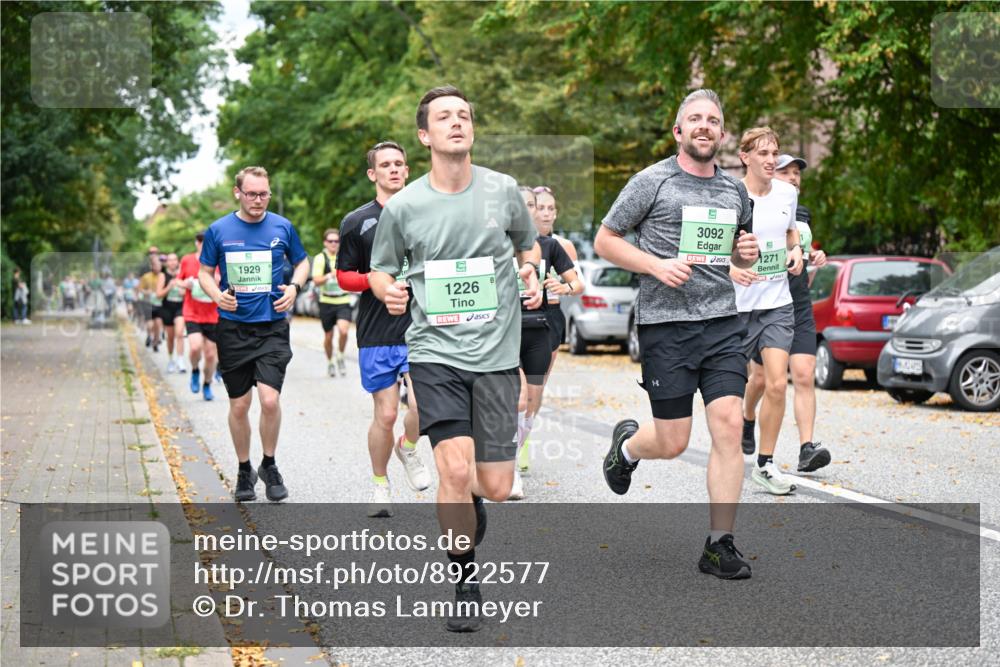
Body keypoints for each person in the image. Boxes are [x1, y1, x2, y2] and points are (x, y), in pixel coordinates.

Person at [369, 85, 542, 631]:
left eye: (464, 115)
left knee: (494, 485)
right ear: (425, 135)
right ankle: (464, 582)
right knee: (453, 467)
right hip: (434, 353)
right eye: (444, 117)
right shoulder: (405, 205)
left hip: (496, 355)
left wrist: (531, 269)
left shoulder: (503, 189)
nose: (457, 122)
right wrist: (387, 291)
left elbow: (529, 245)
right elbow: (380, 269)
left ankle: (472, 501)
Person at [595, 89, 760, 580]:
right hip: (666, 325)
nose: (704, 125)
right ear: (679, 130)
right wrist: (655, 265)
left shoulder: (735, 191)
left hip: (722, 323)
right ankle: (627, 448)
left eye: (712, 120)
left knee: (728, 424)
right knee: (672, 441)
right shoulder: (652, 181)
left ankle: (719, 544)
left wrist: (745, 254)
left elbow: (736, 251)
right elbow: (606, 239)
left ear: (722, 133)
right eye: (695, 118)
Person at [199, 165, 310, 503]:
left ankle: (269, 464)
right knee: (239, 405)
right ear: (238, 193)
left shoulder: (282, 226)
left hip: (272, 325)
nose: (258, 200)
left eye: (264, 194)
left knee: (269, 400)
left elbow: (302, 262)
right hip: (233, 328)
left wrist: (294, 287)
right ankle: (244, 469)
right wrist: (217, 295)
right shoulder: (219, 230)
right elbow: (205, 272)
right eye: (251, 194)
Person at [336, 140, 431, 517]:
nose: (393, 169)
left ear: (407, 170)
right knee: (387, 414)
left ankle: (408, 447)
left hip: (422, 328)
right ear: (372, 174)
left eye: (398, 164)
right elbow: (343, 276)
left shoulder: (428, 214)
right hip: (377, 330)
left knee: (425, 405)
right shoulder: (356, 222)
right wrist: (378, 280)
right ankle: (380, 485)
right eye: (385, 164)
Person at [742, 154, 831, 472]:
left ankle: (807, 447)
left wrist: (813, 257)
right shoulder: (750, 207)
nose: (793, 178)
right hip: (764, 302)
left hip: (797, 301)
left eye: (797, 173)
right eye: (786, 172)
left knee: (804, 374)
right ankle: (747, 417)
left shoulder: (799, 212)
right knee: (761, 379)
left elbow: (800, 253)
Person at [728, 128, 804, 496]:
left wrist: (797, 250)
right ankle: (730, 449)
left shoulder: (787, 193)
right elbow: (711, 248)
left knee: (776, 384)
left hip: (777, 303)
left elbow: (791, 233)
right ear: (745, 157)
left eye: (775, 153)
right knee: (729, 390)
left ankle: (765, 464)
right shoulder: (730, 194)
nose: (772, 160)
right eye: (763, 153)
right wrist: (731, 269)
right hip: (736, 308)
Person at [509, 186, 581, 499]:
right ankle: (510, 464)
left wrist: (562, 287)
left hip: (542, 327)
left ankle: (518, 443)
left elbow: (576, 282)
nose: (539, 212)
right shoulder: (497, 243)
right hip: (507, 330)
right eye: (527, 205)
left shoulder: (551, 245)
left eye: (533, 205)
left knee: (532, 400)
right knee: (519, 397)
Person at [180, 232, 220, 401]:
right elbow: (178, 281)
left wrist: (219, 280)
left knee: (210, 355)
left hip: (213, 315)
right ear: (196, 243)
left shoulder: (219, 261)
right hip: (192, 312)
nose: (204, 245)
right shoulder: (187, 260)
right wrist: (185, 284)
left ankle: (207, 384)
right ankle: (195, 370)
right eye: (201, 242)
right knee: (195, 347)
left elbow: (227, 282)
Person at [312, 229, 353, 377]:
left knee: (344, 331)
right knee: (328, 336)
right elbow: (316, 280)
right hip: (326, 301)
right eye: (330, 241)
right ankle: (330, 362)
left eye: (336, 241)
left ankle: (340, 355)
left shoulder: (345, 257)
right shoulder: (320, 258)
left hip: (343, 300)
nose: (333, 244)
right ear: (325, 243)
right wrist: (330, 275)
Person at [156, 253, 187, 373]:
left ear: (177, 262)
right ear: (167, 263)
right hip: (167, 308)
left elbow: (189, 291)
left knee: (180, 333)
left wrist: (184, 292)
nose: (173, 262)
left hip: (180, 307)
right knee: (170, 337)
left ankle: (180, 360)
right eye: (170, 260)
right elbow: (158, 294)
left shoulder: (182, 274)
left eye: (175, 260)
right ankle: (171, 360)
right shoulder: (163, 276)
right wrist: (169, 287)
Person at [139, 254, 162, 352]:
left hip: (159, 304)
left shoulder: (162, 276)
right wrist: (146, 292)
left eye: (159, 265)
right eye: (156, 265)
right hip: (148, 303)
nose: (158, 267)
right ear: (152, 266)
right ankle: (149, 336)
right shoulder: (146, 277)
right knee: (150, 324)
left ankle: (155, 342)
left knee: (158, 325)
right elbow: (140, 289)